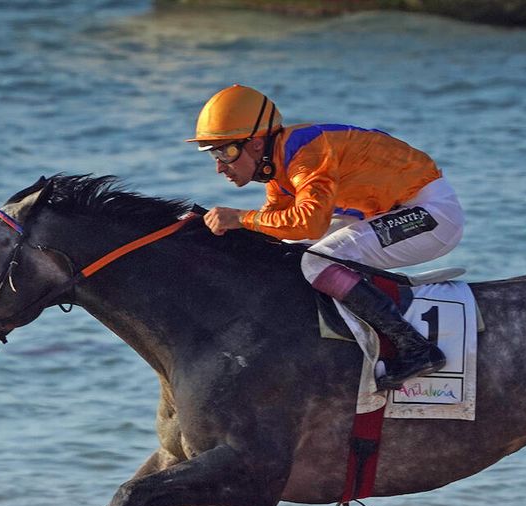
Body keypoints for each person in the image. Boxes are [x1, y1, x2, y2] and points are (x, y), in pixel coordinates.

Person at [190, 84, 462, 391]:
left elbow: (309, 223)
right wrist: (209, 231)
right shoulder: (279, 167)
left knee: (317, 262)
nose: (218, 167)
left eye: (224, 152)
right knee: (290, 253)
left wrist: (240, 218)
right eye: (213, 154)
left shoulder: (307, 155)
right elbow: (276, 231)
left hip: (430, 213)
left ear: (254, 144)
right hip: (390, 211)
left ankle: (414, 348)